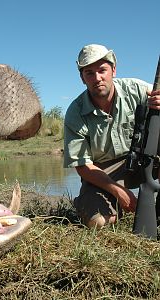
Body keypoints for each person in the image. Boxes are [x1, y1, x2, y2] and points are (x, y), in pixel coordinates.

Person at [64, 44, 160, 228]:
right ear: (82, 78)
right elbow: (83, 166)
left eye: (102, 70)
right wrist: (119, 192)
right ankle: (90, 201)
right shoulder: (75, 113)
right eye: (89, 73)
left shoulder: (137, 89)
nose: (97, 78)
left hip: (143, 159)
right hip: (103, 172)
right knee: (99, 222)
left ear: (113, 70)